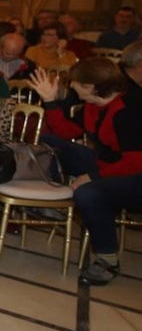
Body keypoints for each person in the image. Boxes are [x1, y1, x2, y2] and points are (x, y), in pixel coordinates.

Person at [28, 58, 142, 286]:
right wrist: (50, 101)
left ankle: (107, 260)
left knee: (89, 193)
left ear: (91, 86)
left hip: (134, 175)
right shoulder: (93, 105)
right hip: (107, 163)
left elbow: (135, 162)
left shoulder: (130, 109)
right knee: (49, 142)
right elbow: (65, 131)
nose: (71, 87)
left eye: (76, 83)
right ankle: (52, 202)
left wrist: (92, 176)